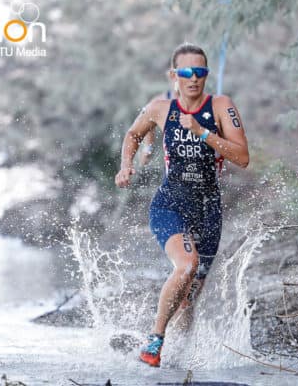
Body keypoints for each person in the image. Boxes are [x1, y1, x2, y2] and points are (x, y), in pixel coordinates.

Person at [114, 42, 249, 367]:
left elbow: (242, 157)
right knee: (186, 266)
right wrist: (125, 165)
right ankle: (155, 341)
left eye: (200, 72)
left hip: (208, 212)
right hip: (170, 204)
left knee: (189, 298)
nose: (194, 79)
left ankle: (175, 358)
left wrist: (203, 133)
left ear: (206, 75)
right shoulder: (161, 108)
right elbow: (133, 134)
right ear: (175, 75)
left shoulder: (221, 105)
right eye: (187, 72)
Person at [138, 70, 176, 167]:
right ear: (169, 76)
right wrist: (148, 148)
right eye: (173, 75)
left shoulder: (198, 99)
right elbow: (148, 124)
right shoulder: (159, 101)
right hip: (172, 156)